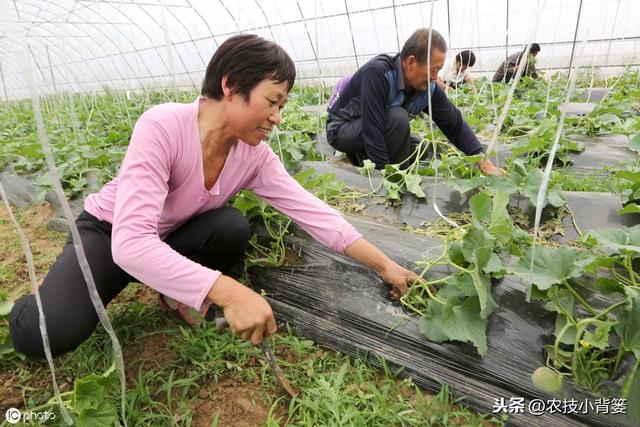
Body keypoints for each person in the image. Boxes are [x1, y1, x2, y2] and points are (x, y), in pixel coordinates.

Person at [9, 34, 418, 358]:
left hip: (168, 238)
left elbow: (312, 212)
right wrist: (229, 291)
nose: (277, 117)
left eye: (283, 105)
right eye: (272, 101)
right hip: (111, 234)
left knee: (231, 227)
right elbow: (131, 244)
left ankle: (171, 289)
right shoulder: (163, 127)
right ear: (231, 85)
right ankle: (36, 301)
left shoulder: (254, 155)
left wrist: (384, 265)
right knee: (44, 337)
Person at [326, 28, 501, 175]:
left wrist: (483, 161)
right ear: (411, 62)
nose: (435, 77)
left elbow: (454, 124)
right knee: (397, 118)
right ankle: (359, 159)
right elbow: (373, 130)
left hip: (378, 127)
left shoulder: (429, 87)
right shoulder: (379, 73)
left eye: (438, 70)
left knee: (426, 148)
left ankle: (375, 161)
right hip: (342, 129)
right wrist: (386, 176)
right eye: (433, 70)